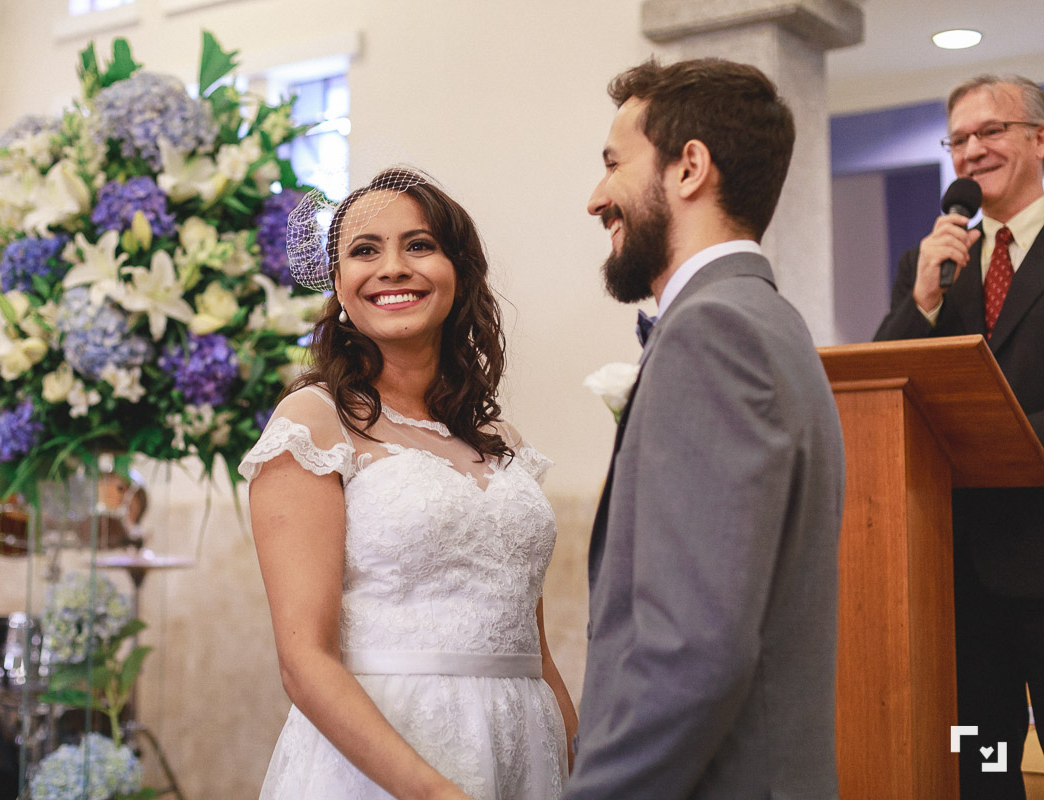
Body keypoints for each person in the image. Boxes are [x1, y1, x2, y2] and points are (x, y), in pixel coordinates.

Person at [240, 167, 578, 800]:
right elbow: (303, 661)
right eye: (365, 251)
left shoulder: (499, 437)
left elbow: (533, 647)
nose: (392, 267)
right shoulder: (313, 422)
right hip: (385, 762)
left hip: (525, 748)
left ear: (459, 271)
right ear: (339, 284)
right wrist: (433, 793)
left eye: (419, 245)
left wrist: (579, 763)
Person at [566, 58, 846, 799]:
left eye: (613, 164)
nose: (597, 198)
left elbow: (694, 653)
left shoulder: (713, 332)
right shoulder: (769, 320)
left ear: (690, 167)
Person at [874, 74, 1044, 799]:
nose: (972, 151)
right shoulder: (935, 265)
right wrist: (922, 300)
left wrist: (999, 441)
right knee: (980, 759)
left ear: (1040, 138)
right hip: (959, 572)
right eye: (959, 139)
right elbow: (884, 386)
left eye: (992, 131)